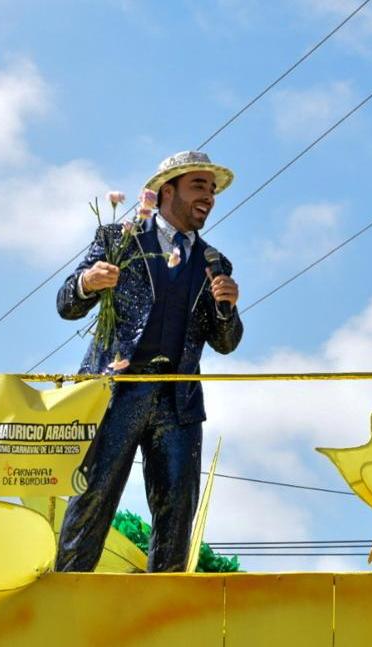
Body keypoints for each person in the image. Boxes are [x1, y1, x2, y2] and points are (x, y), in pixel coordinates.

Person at [54, 150, 243, 572]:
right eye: (199, 186)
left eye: (212, 191)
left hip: (178, 402)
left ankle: (164, 607)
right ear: (165, 191)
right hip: (115, 393)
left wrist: (227, 307)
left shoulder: (215, 262)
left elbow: (225, 342)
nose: (209, 197)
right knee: (92, 499)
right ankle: (66, 594)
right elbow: (66, 303)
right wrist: (87, 282)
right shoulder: (117, 238)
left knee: (177, 513)